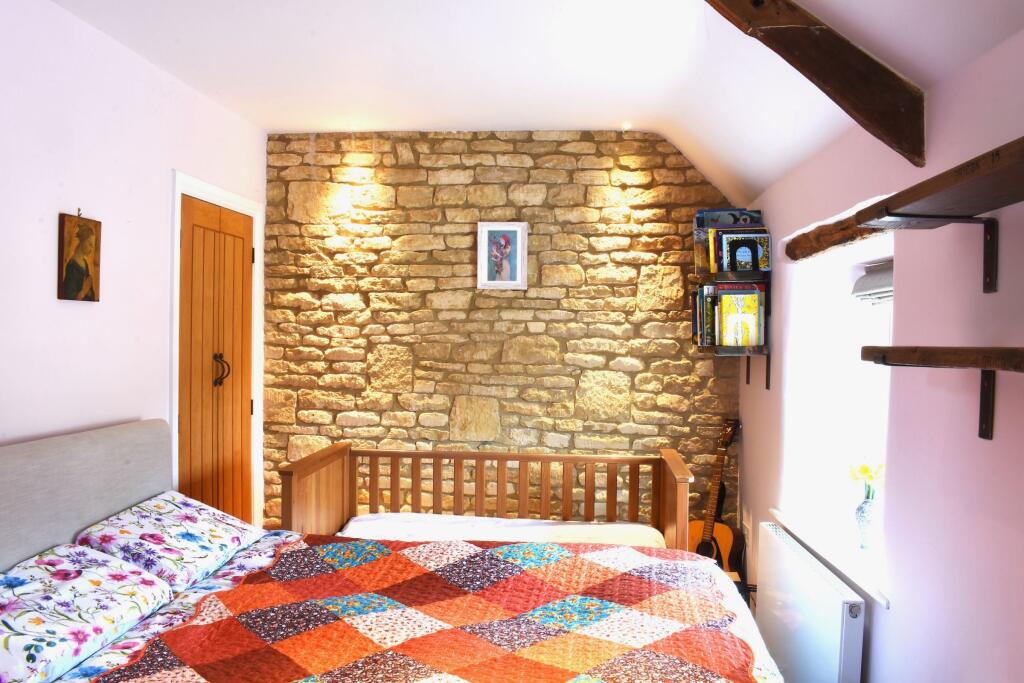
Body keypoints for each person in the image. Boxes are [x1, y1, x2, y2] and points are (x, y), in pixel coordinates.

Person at [62, 222, 97, 301]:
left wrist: (89, 291)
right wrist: (84, 291)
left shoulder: (85, 262)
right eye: (90, 244)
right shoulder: (72, 267)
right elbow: (69, 297)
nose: (91, 249)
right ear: (82, 241)